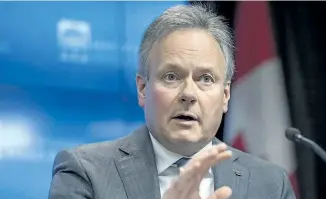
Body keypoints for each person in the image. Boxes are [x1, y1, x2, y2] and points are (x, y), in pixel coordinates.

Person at [48, 4, 296, 199]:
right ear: (142, 88)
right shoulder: (86, 172)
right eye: (171, 76)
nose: (188, 93)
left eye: (206, 79)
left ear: (225, 96)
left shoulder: (270, 183)